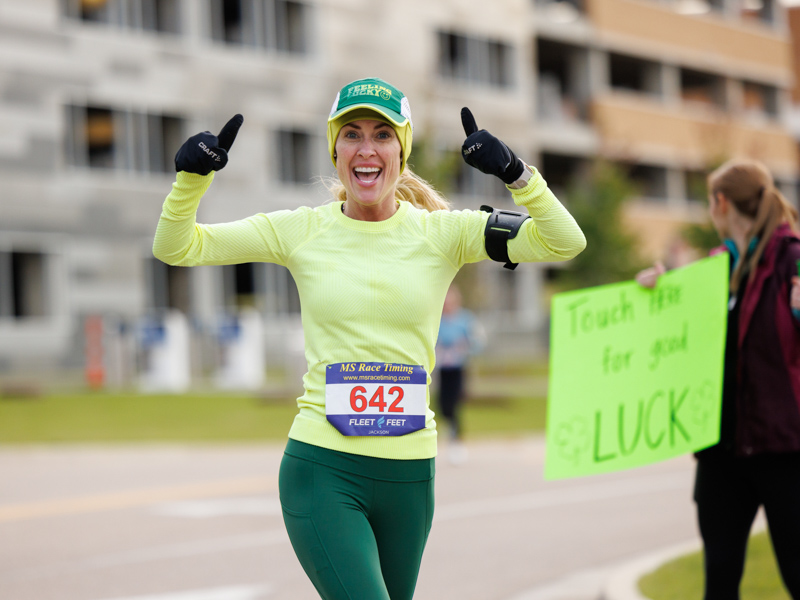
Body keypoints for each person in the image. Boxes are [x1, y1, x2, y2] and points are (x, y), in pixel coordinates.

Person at [153, 76, 585, 600]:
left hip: (410, 475)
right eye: (352, 133)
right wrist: (190, 181)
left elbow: (565, 241)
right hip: (323, 468)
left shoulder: (444, 233)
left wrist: (515, 173)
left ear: (401, 150)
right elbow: (178, 248)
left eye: (382, 135)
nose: (366, 148)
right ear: (335, 148)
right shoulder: (300, 230)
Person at [636, 159, 800, 600]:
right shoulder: (715, 269)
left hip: (786, 451)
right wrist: (659, 294)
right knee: (720, 581)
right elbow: (688, 337)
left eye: (709, 202)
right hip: (721, 452)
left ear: (721, 203)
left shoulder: (793, 260)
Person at [435, 284, 484, 464]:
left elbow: (478, 342)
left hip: (459, 369)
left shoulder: (465, 319)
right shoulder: (437, 320)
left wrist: (465, 348)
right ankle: (451, 430)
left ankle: (457, 442)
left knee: (455, 405)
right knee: (443, 406)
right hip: (442, 369)